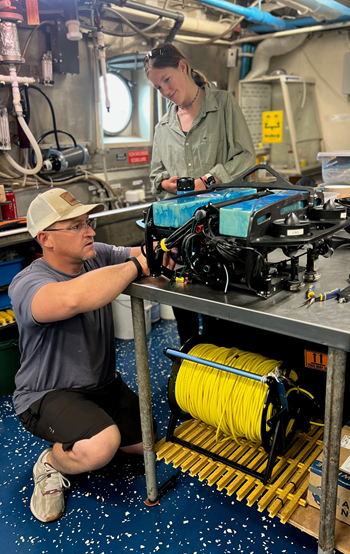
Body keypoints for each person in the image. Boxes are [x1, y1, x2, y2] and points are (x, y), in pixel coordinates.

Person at [9, 188, 153, 523]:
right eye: (75, 226)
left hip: (101, 385)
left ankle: (89, 434)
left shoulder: (94, 255)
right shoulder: (28, 283)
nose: (89, 232)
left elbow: (137, 253)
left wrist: (162, 250)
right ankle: (52, 462)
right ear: (46, 239)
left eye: (88, 223)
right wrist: (135, 265)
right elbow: (72, 299)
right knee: (102, 445)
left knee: (147, 441)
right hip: (47, 394)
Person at [145, 43, 255, 344]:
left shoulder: (223, 104)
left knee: (218, 312)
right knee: (184, 310)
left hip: (220, 230)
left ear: (183, 67)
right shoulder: (163, 126)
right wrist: (168, 184)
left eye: (167, 79)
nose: (164, 90)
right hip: (181, 234)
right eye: (157, 86)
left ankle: (222, 371)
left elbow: (246, 157)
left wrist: (207, 180)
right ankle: (189, 369)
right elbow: (156, 176)